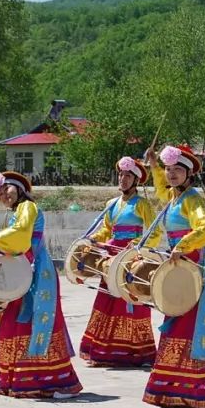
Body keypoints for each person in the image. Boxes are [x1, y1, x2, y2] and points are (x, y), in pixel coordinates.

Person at [142, 144, 205, 408]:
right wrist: (154, 165)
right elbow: (161, 188)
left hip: (196, 266)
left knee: (197, 328)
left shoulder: (193, 200)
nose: (171, 175)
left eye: (177, 170)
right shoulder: (174, 198)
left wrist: (182, 245)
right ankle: (174, 391)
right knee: (175, 323)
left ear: (189, 173)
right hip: (180, 265)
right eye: (169, 170)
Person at [0, 171, 82, 398]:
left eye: (7, 188)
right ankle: (20, 378)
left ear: (19, 188)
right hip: (22, 270)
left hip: (38, 271)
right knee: (14, 323)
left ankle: (59, 382)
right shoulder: (14, 213)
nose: (4, 194)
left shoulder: (28, 207)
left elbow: (21, 234)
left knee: (40, 322)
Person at [77, 157, 160, 368]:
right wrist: (96, 238)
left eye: (128, 176)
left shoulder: (142, 204)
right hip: (111, 255)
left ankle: (135, 351)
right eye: (121, 175)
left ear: (136, 181)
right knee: (107, 300)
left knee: (130, 299)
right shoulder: (111, 204)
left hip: (130, 256)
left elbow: (154, 231)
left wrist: (136, 246)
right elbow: (107, 229)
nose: (123, 179)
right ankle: (104, 351)